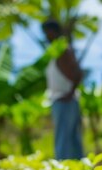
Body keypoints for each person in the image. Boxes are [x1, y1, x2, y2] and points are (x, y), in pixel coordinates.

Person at [42, 19, 84, 160]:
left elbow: (77, 73)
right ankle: (76, 167)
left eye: (48, 33)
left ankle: (64, 167)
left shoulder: (64, 50)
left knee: (65, 137)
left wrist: (70, 92)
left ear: (54, 32)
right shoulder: (55, 52)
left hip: (65, 99)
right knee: (70, 137)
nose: (46, 36)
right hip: (62, 99)